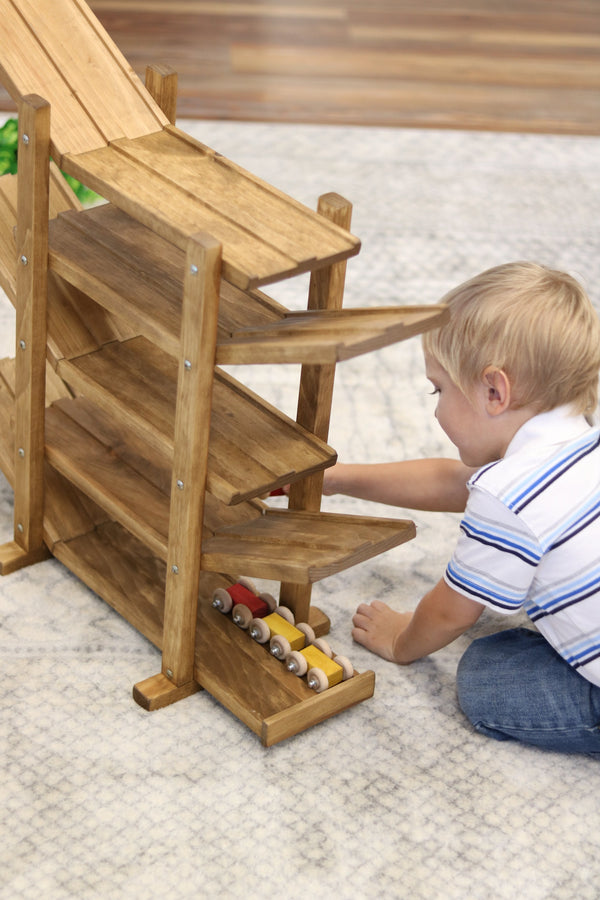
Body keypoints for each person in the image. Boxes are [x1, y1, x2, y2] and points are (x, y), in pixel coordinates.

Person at [323, 261, 600, 755]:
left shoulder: (509, 495)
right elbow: (454, 483)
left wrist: (400, 640)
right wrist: (338, 479)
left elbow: (452, 613)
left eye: (439, 389)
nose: (434, 407)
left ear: (495, 391)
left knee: (486, 675)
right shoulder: (575, 444)